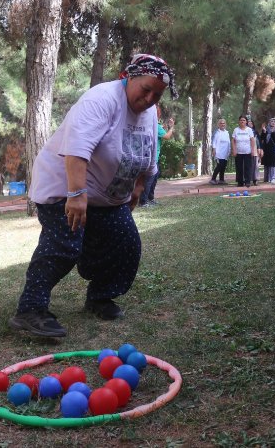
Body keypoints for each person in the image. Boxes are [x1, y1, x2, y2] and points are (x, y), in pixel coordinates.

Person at [9, 53, 178, 337]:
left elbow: (147, 155)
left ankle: (99, 296)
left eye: (157, 95)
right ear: (129, 77)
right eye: (145, 89)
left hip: (105, 196)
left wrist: (137, 188)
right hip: (64, 186)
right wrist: (75, 194)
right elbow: (76, 149)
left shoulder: (148, 113)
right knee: (64, 246)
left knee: (126, 243)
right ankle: (30, 309)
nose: (149, 99)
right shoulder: (101, 100)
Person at [139, 116, 174, 206]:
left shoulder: (150, 125)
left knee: (152, 179)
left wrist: (163, 127)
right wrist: (171, 127)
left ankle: (150, 199)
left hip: (148, 156)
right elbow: (167, 136)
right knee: (149, 180)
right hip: (153, 158)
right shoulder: (156, 126)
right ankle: (143, 201)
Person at [232, 115, 256, 187]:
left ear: (246, 122)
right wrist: (234, 150)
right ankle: (240, 182)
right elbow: (233, 141)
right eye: (241, 120)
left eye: (244, 120)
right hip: (238, 152)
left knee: (248, 167)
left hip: (247, 151)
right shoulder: (236, 130)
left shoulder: (249, 130)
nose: (242, 121)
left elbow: (252, 140)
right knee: (239, 167)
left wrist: (252, 150)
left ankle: (247, 181)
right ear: (239, 121)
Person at [260, 118, 275, 183]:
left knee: (273, 163)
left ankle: (273, 178)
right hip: (266, 149)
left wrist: (272, 132)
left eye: (274, 122)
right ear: (269, 122)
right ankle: (267, 178)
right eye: (271, 121)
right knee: (267, 163)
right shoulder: (266, 129)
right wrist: (264, 131)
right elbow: (262, 138)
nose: (272, 123)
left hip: (273, 148)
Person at [210, 118, 230, 185]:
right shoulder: (217, 132)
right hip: (218, 152)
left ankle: (221, 180)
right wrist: (214, 149)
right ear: (218, 125)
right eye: (221, 123)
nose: (222, 124)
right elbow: (214, 142)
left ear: (225, 124)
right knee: (219, 166)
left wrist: (229, 150)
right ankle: (213, 179)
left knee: (223, 166)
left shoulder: (227, 132)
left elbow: (228, 142)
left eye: (223, 123)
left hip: (225, 153)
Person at [247, 118, 261, 185]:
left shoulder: (255, 132)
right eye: (248, 123)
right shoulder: (245, 131)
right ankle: (248, 179)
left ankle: (255, 179)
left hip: (255, 151)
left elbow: (258, 142)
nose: (250, 124)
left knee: (255, 166)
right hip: (247, 151)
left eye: (251, 123)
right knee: (248, 166)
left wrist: (259, 150)